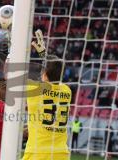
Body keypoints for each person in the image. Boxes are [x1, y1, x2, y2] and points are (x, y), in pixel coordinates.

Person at [22, 30, 72, 160]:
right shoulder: (66, 90)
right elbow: (54, 71)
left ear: (44, 73)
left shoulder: (34, 88)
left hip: (38, 153)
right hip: (61, 153)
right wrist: (44, 55)